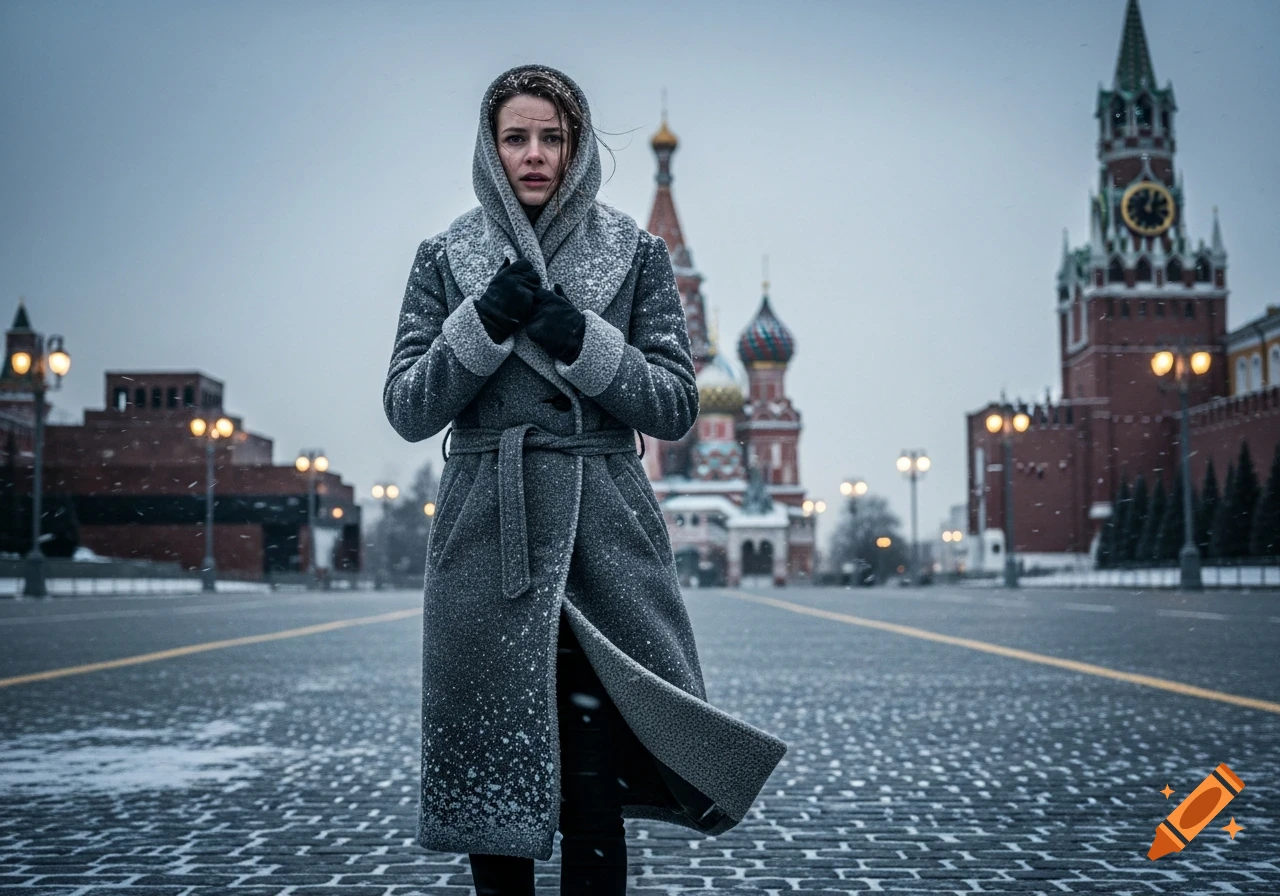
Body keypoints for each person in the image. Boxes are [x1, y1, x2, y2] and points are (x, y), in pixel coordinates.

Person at [383, 64, 787, 895]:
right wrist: (481, 323)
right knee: (492, 790)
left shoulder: (635, 256)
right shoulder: (445, 258)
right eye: (516, 137)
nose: (535, 155)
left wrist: (582, 340)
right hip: (488, 535)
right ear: (490, 150)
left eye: (553, 138)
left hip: (601, 534)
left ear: (577, 148)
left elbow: (677, 403)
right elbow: (407, 407)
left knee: (595, 788)